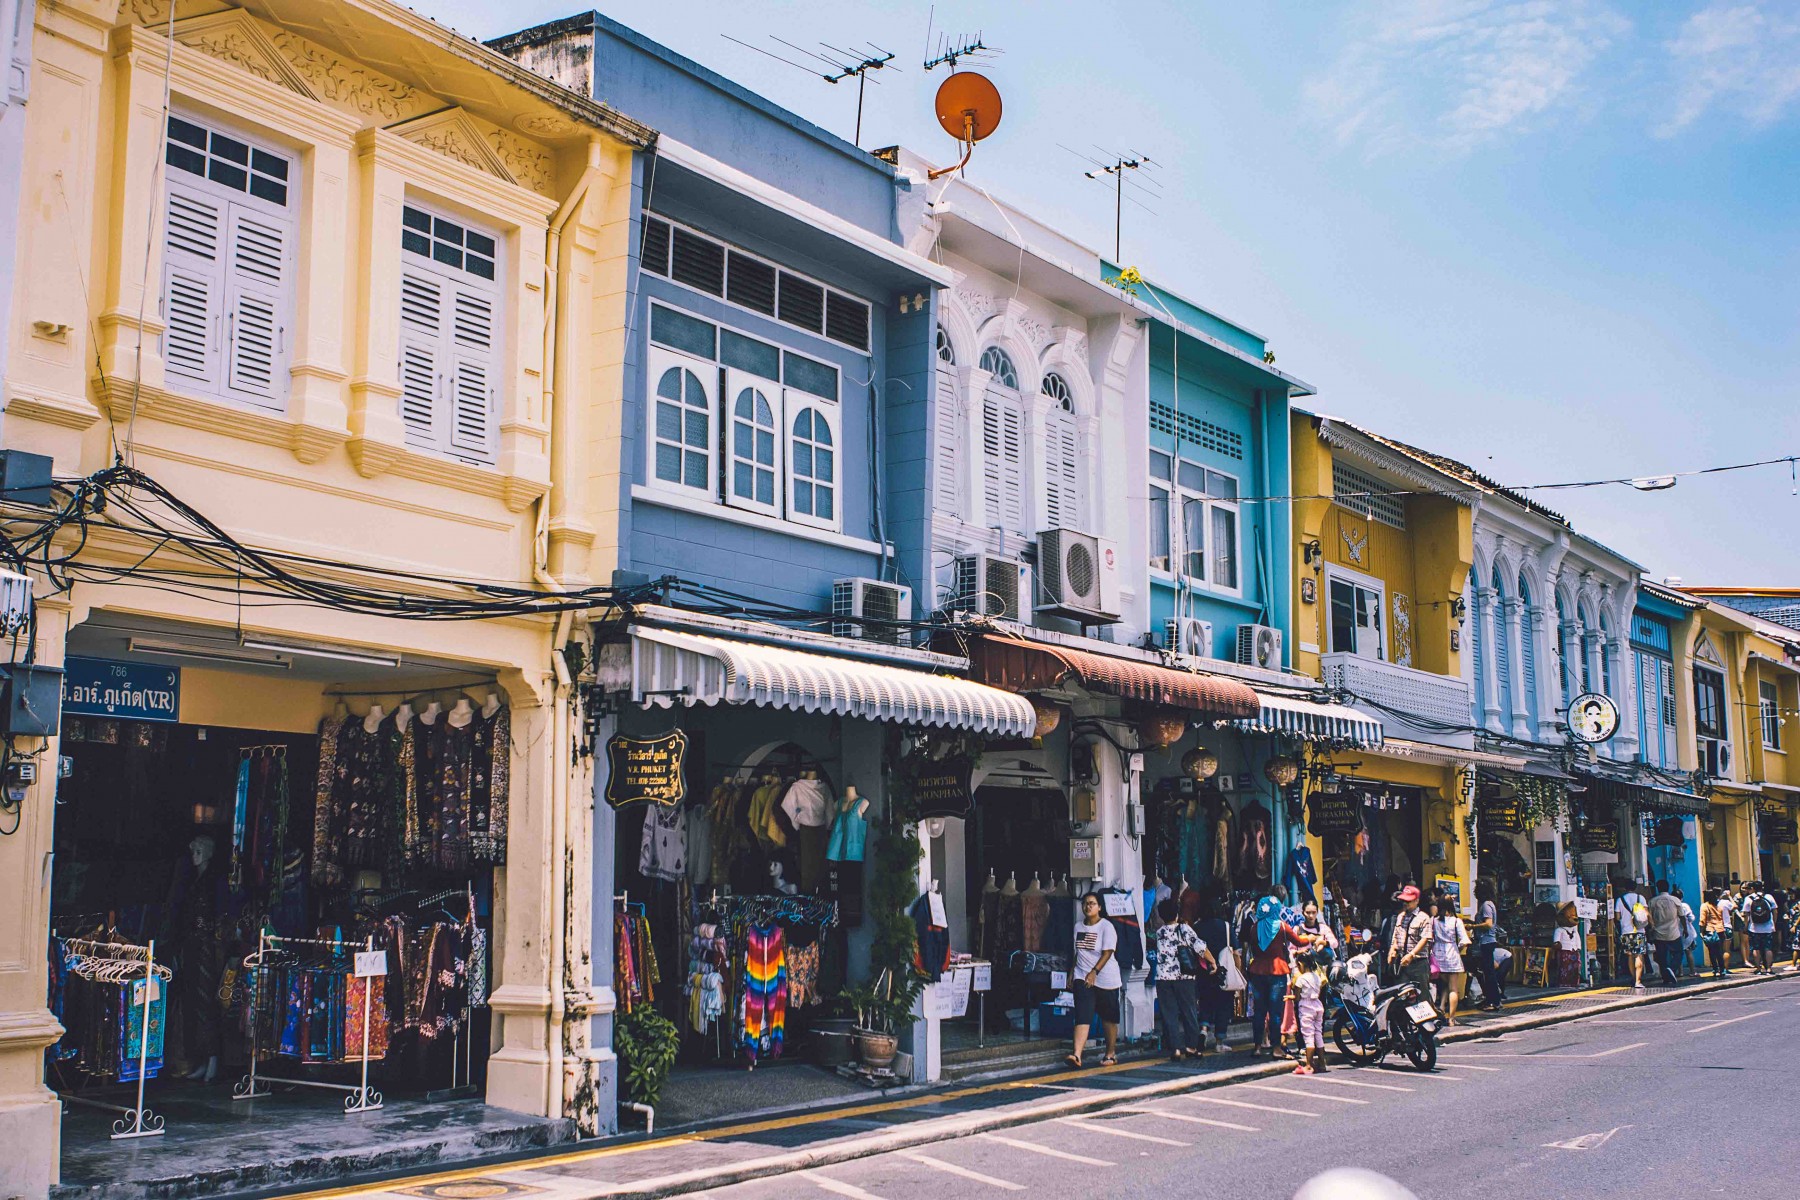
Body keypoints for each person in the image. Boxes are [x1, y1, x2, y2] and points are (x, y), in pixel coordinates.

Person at [1246, 891, 1316, 1057]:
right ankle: (1276, 1047)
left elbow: (1253, 949)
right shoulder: (1281, 926)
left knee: (1259, 1012)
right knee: (1276, 1011)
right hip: (1277, 971)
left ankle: (1257, 1046)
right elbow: (1299, 941)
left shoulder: (1254, 927)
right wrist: (1312, 938)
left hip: (1257, 972)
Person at [1151, 898, 1210, 1061]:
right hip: (1184, 977)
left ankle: (1176, 1048)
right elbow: (1201, 948)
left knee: (1169, 1014)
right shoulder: (1184, 929)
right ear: (1177, 913)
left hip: (1163, 978)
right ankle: (1191, 1047)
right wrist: (1212, 962)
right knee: (1188, 1011)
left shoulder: (1159, 932)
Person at [1069, 892, 1121, 1068]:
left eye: (1092, 903)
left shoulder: (1106, 927)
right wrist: (1072, 972)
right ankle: (1077, 1055)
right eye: (1085, 903)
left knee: (1108, 1018)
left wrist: (1094, 972)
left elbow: (1108, 953)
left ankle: (1110, 1053)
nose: (1088, 906)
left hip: (1106, 978)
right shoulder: (1077, 927)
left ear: (1099, 907)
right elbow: (1077, 952)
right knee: (1082, 1014)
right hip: (1082, 975)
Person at [1194, 900, 1237, 1051]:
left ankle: (1203, 1030)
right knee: (1223, 1005)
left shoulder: (1197, 927)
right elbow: (1236, 951)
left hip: (1203, 971)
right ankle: (1219, 1042)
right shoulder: (1226, 926)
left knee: (1205, 1001)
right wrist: (1238, 970)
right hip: (1223, 972)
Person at [1290, 948, 1330, 1076]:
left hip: (1306, 1007)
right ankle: (1322, 1063)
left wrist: (1289, 998)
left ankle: (1308, 1065)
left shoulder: (1301, 979)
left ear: (1301, 964)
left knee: (1308, 1036)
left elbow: (1297, 997)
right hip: (1318, 1005)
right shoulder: (1317, 977)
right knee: (1318, 1034)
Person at [1386, 885, 1433, 993]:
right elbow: (1396, 935)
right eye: (1404, 901)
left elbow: (1425, 938)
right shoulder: (1400, 916)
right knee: (1402, 994)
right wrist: (1392, 950)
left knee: (1421, 994)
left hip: (1418, 963)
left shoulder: (1423, 917)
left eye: (1408, 901)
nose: (1405, 903)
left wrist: (1411, 954)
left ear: (1416, 901)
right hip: (1402, 962)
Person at [1468, 879, 1506, 1012]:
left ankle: (1494, 1001)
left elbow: (1488, 924)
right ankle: (1492, 999)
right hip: (1487, 942)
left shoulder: (1486, 906)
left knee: (1488, 973)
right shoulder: (1488, 905)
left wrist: (1472, 926)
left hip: (1486, 942)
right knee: (1487, 972)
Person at [1431, 897, 1470, 1024]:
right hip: (1452, 953)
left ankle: (1441, 1007)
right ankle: (1452, 1018)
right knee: (1453, 988)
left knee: (1443, 984)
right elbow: (1464, 940)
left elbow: (1430, 939)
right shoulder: (1456, 921)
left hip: (1437, 954)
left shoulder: (1433, 921)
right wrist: (1458, 948)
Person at [1613, 879, 1651, 991]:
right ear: (1635, 888)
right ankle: (1638, 981)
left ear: (1625, 888)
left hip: (1626, 931)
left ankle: (1633, 978)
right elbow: (1646, 913)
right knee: (1639, 955)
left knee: (1630, 955)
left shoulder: (1620, 900)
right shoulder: (1641, 898)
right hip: (1639, 931)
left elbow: (1617, 917)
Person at [1648, 879, 1684, 986]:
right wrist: (1685, 929)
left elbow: (1649, 917)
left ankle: (1666, 976)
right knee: (1679, 953)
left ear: (1658, 888)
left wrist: (1651, 929)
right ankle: (1672, 969)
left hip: (1658, 933)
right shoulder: (1675, 900)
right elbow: (1682, 916)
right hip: (1673, 932)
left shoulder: (1652, 901)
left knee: (1661, 956)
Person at [1742, 880, 1779, 975]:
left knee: (1756, 948)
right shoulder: (1768, 897)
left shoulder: (1748, 898)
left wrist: (1746, 926)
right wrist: (1773, 923)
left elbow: (1746, 914)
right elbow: (1775, 911)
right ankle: (1769, 969)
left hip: (1754, 928)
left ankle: (1758, 968)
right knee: (1768, 948)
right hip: (1768, 927)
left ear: (1753, 888)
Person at [1700, 889, 1728, 978]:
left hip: (1710, 931)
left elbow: (1702, 920)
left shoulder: (1704, 906)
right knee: (1719, 951)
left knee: (1712, 952)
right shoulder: (1718, 907)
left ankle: (1715, 969)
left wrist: (1701, 931)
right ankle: (1722, 969)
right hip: (1720, 930)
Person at [1674, 886, 1701, 977]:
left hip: (1675, 931)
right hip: (1686, 931)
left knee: (1678, 953)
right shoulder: (1684, 906)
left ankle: (1680, 972)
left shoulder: (1671, 905)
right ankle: (1692, 971)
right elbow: (1691, 917)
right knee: (1688, 952)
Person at [1717, 886, 1738, 973]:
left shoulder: (1712, 903)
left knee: (1718, 949)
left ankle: (1718, 968)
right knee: (1726, 950)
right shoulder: (1725, 902)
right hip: (1726, 927)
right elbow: (1735, 906)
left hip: (1717, 928)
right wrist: (1729, 897)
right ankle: (1725, 968)